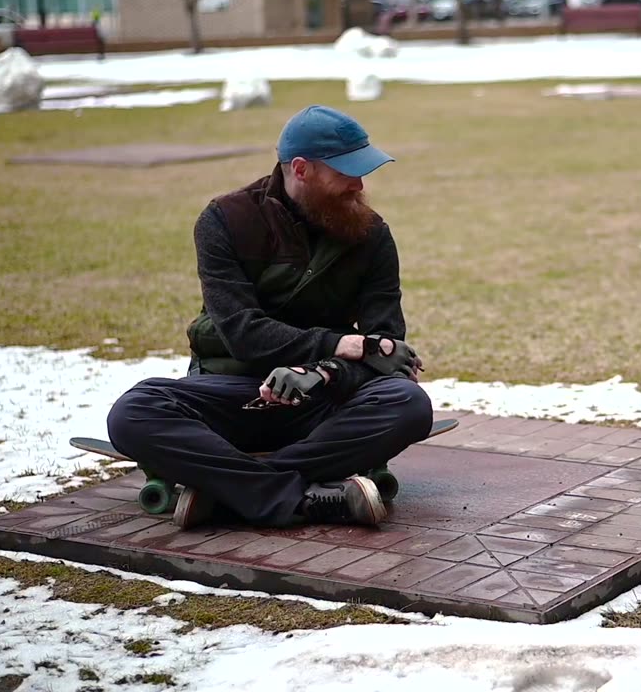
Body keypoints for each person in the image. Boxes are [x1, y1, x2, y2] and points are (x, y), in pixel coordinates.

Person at [106, 105, 434, 531]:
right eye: (346, 172)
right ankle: (306, 497)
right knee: (134, 411)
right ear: (301, 169)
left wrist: (323, 373)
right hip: (232, 392)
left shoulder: (372, 235)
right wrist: (340, 344)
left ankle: (232, 490)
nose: (359, 183)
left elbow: (387, 348)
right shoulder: (224, 220)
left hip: (320, 402)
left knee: (408, 404)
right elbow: (243, 332)